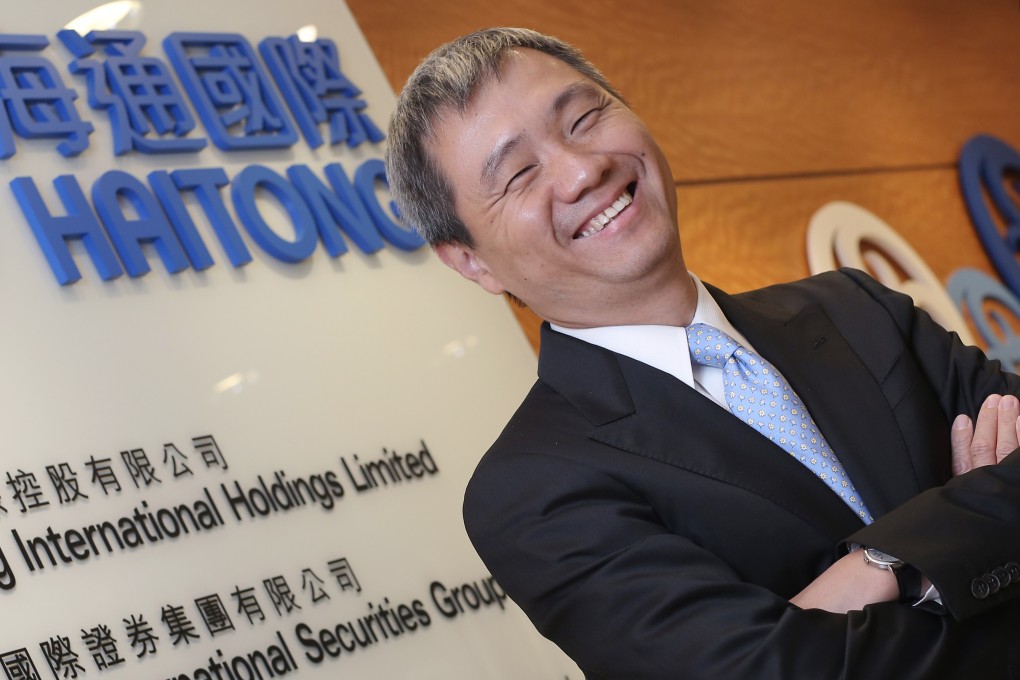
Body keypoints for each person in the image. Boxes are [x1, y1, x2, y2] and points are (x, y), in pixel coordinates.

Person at [386, 27, 1020, 679]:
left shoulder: (856, 308)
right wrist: (930, 550)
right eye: (519, 174)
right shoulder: (530, 491)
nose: (582, 170)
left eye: (583, 118)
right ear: (470, 261)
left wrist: (863, 581)